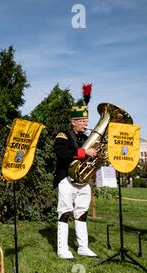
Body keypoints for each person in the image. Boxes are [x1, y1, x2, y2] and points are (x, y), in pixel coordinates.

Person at [54, 97, 98, 259]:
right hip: (66, 178)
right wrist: (83, 153)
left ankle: (83, 247)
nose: (86, 124)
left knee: (82, 213)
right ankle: (62, 249)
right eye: (82, 121)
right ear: (73, 122)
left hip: (83, 181)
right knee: (65, 213)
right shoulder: (63, 135)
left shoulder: (86, 139)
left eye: (86, 121)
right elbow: (61, 153)